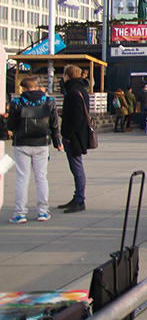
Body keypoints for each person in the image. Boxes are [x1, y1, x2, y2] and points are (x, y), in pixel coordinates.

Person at [7, 77, 62, 223]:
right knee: (41, 177)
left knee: (22, 178)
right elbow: (54, 123)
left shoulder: (17, 102)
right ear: (37, 87)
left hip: (22, 144)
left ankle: (20, 213)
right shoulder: (48, 101)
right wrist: (57, 142)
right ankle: (43, 212)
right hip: (41, 143)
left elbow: (11, 124)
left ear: (23, 88)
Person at [58, 65, 90, 213]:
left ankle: (79, 200)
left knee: (77, 167)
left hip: (74, 136)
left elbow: (77, 118)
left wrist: (68, 135)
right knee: (75, 167)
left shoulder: (73, 92)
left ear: (67, 76)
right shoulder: (80, 90)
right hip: (77, 134)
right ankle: (77, 196)